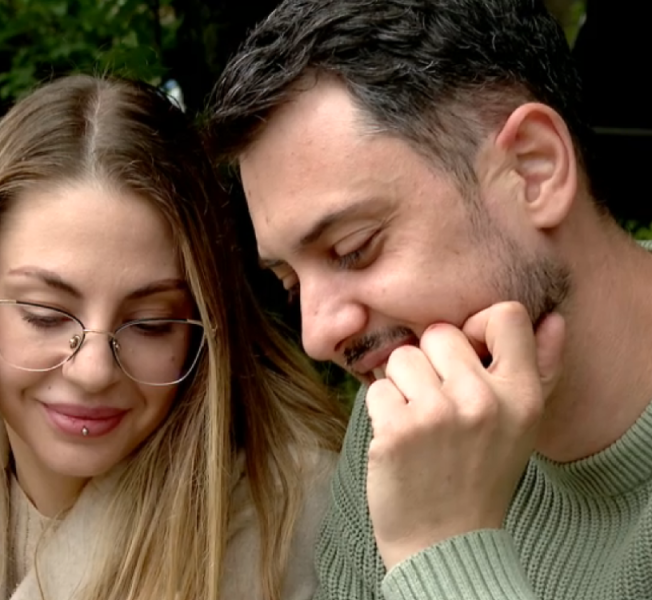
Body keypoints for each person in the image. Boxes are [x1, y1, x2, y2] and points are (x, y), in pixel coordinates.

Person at [206, 0, 652, 598]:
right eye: (291, 283)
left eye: (353, 249)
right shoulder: (407, 417)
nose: (317, 335)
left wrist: (443, 545)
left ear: (533, 170)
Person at [0, 74, 347, 600]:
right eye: (45, 314)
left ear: (206, 327)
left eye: (151, 323)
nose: (93, 371)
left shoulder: (294, 518)